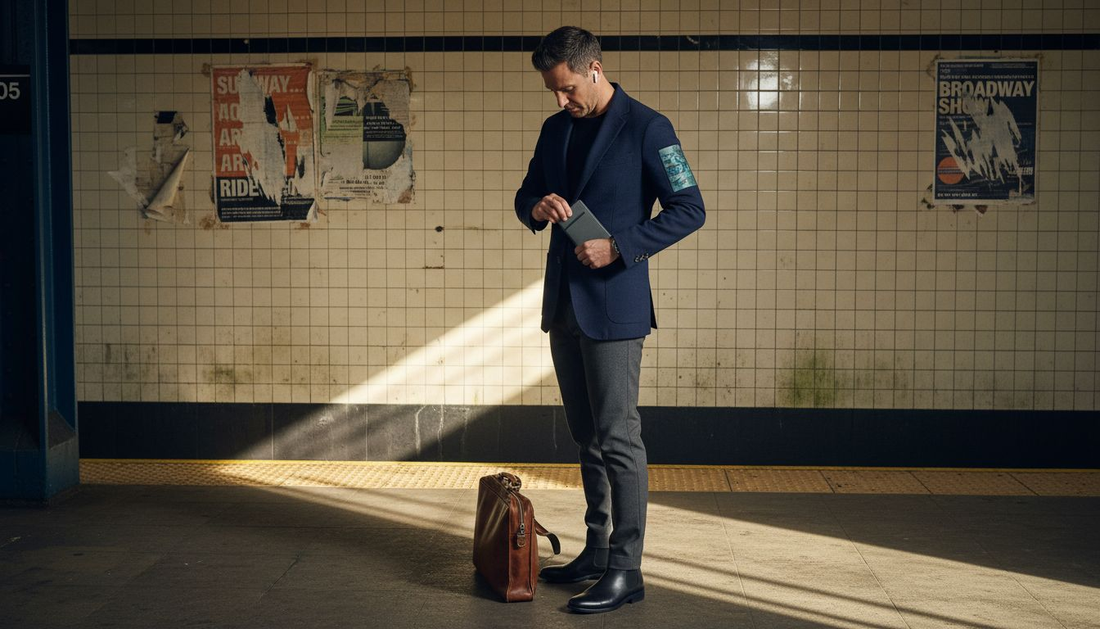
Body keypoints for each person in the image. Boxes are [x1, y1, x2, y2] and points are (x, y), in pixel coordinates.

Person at [514, 26, 706, 614]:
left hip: (616, 305)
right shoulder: (554, 130)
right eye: (553, 91)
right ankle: (596, 551)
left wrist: (621, 246)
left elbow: (690, 209)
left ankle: (627, 569)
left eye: (567, 89)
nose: (560, 101)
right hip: (564, 304)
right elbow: (525, 196)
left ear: (594, 69)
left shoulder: (650, 128)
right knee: (586, 436)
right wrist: (538, 207)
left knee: (620, 438)